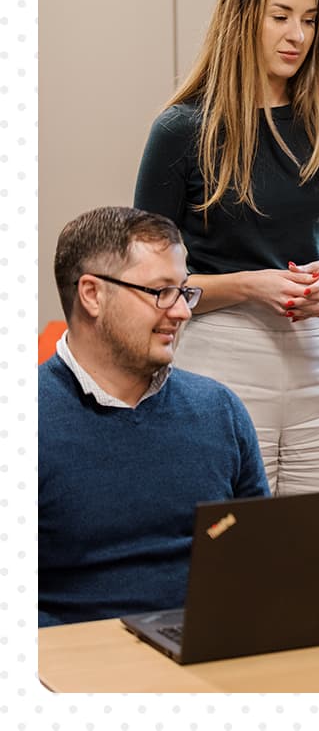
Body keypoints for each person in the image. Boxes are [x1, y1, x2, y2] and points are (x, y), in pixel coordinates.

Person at [134, 0, 319, 495]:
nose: (299, 35)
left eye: (310, 20)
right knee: (239, 566)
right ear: (243, 20)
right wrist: (249, 286)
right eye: (282, 17)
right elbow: (148, 285)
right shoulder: (181, 131)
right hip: (223, 363)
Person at [38, 207, 269, 626]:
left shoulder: (219, 411)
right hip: (74, 671)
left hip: (210, 654)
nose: (181, 311)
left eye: (184, 291)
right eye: (161, 291)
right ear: (92, 294)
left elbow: (256, 558)